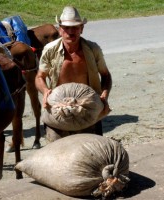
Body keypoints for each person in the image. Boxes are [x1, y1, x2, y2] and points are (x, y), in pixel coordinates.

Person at [35, 6, 112, 142]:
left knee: (91, 154)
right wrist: (45, 90)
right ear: (60, 29)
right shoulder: (50, 50)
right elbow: (40, 77)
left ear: (81, 28)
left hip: (87, 109)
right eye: (66, 27)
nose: (71, 32)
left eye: (75, 27)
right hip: (58, 109)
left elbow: (105, 75)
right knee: (58, 155)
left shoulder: (93, 49)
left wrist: (104, 95)